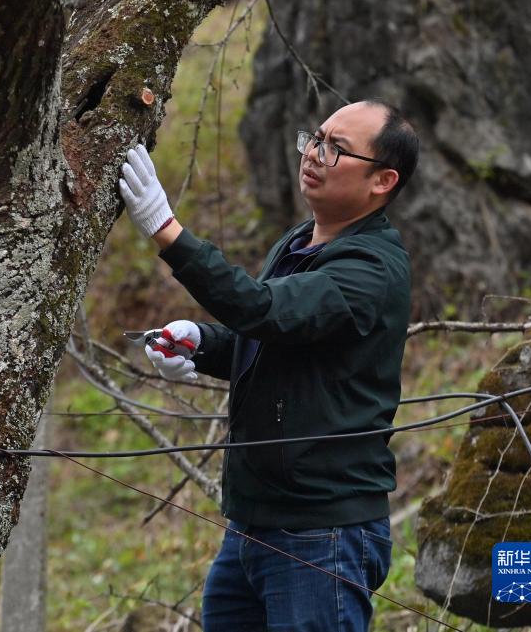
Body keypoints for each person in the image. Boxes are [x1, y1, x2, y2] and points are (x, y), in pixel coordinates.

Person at [119, 100, 419, 632]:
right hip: (253, 524)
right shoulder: (300, 242)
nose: (314, 155)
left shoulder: (372, 268)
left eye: (336, 148)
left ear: (382, 181)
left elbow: (267, 310)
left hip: (321, 532)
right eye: (314, 138)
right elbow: (270, 334)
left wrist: (168, 231)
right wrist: (199, 343)